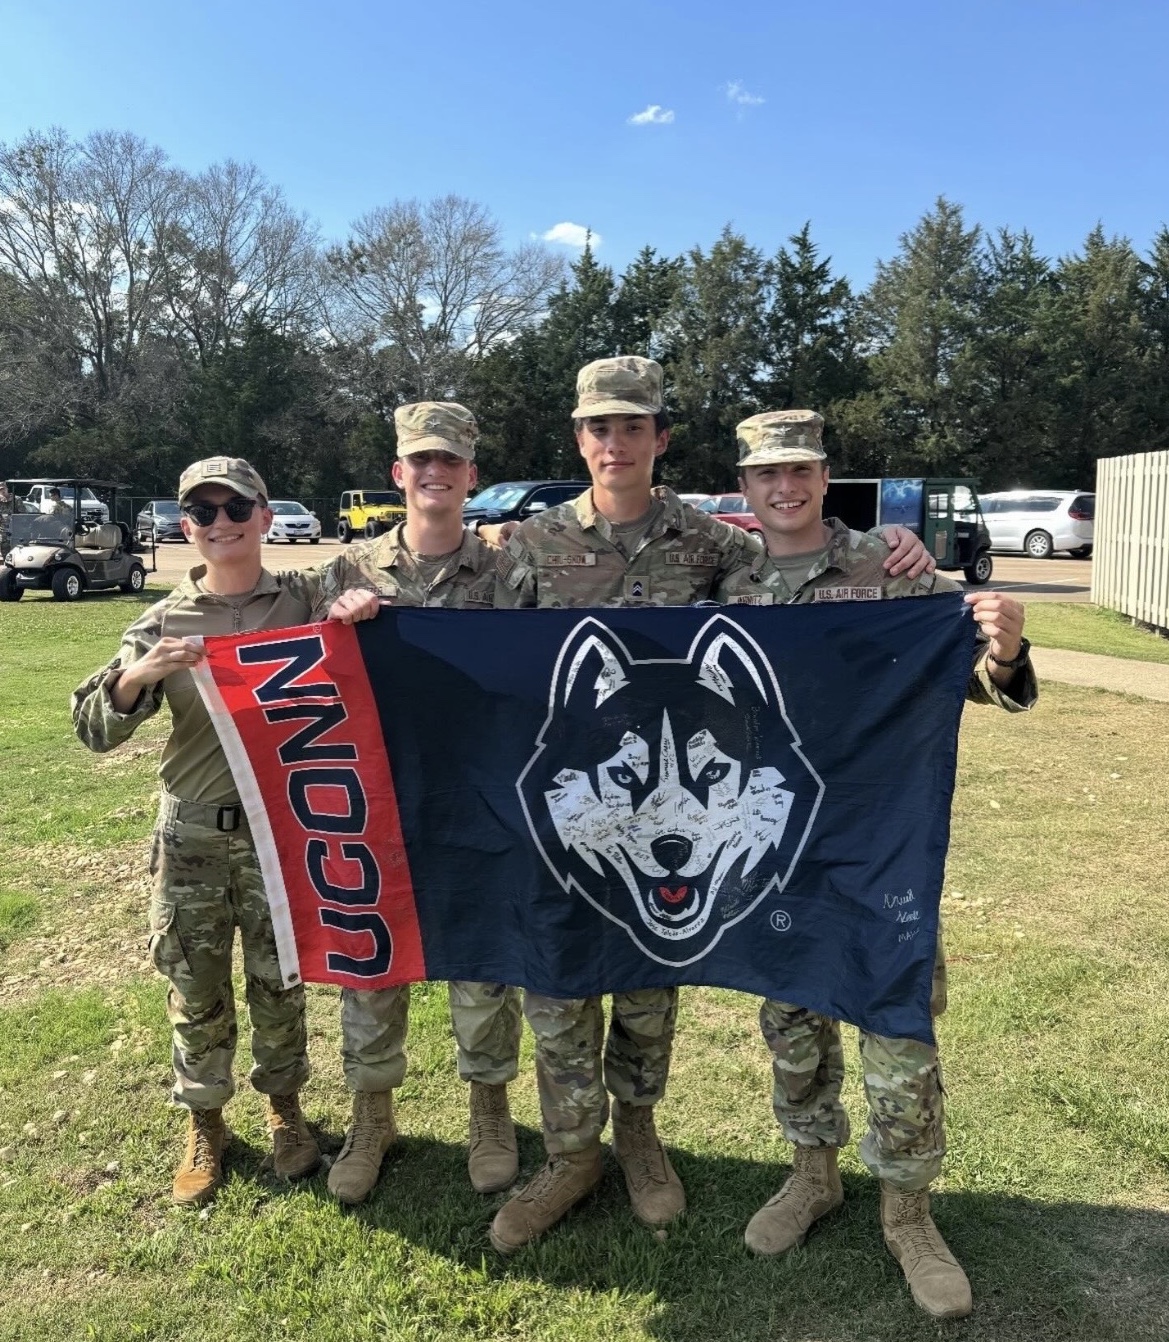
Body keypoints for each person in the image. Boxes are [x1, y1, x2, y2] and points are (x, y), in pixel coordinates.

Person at [487, 357, 936, 1254]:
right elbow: (487, 672)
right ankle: (571, 1156)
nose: (614, 443)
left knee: (651, 986)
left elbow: (791, 622)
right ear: (579, 439)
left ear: (660, 437)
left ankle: (644, 1141)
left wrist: (913, 563)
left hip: (698, 821)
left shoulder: (717, 553)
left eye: (632, 426)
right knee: (559, 988)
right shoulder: (530, 547)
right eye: (597, 428)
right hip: (581, 825)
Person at [717, 410, 1037, 1321]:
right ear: (743, 487)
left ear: (825, 477)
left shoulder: (887, 567)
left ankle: (907, 1211)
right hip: (771, 852)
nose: (784, 488)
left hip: (877, 844)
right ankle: (811, 1175)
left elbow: (969, 675)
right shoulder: (725, 579)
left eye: (801, 471)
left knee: (898, 1024)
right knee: (791, 1025)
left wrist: (1004, 644)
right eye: (766, 475)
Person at [71, 457, 345, 1206]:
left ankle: (285, 1111)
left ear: (263, 515)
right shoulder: (162, 619)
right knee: (194, 984)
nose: (221, 522)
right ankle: (204, 1120)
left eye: (236, 507)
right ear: (185, 525)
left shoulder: (305, 600)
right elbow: (92, 729)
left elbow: (374, 613)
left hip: (279, 833)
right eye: (204, 511)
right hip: (190, 835)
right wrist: (139, 676)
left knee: (279, 980)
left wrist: (356, 610)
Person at [305, 402, 523, 1207]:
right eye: (419, 462)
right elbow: (274, 643)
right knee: (370, 964)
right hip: (376, 801)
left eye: (450, 462)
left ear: (471, 476)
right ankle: (372, 1115)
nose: (435, 474)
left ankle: (489, 1109)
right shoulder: (344, 572)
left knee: (480, 964)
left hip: (476, 800)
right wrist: (337, 623)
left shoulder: (508, 576)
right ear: (399, 475)